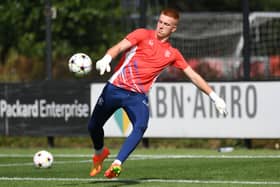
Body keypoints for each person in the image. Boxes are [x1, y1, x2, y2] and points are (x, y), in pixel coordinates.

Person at [88, 8, 227, 179]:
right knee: (93, 126)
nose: (161, 26)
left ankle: (117, 164)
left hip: (137, 97)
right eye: (160, 21)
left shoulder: (173, 54)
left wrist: (214, 97)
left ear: (173, 29)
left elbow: (193, 76)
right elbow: (118, 47)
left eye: (166, 24)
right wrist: (107, 58)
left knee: (141, 125)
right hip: (114, 89)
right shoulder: (142, 34)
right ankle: (100, 152)